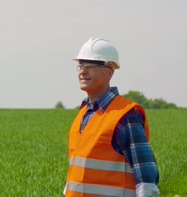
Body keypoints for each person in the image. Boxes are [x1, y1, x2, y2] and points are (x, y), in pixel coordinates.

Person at [64, 38, 159, 197]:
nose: (82, 71)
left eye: (90, 66)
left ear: (109, 72)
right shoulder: (83, 113)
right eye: (80, 66)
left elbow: (146, 176)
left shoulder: (126, 115)